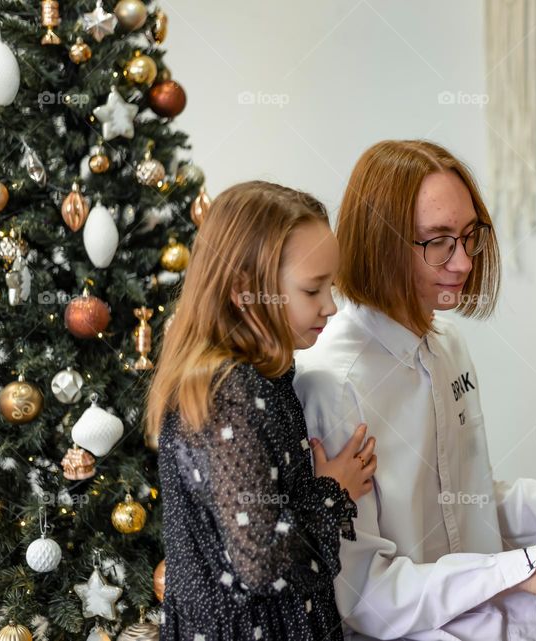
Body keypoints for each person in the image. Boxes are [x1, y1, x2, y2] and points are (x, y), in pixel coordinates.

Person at [296, 140, 536, 641]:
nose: (462, 263)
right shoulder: (333, 381)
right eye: (438, 241)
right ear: (382, 242)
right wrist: (524, 569)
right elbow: (366, 597)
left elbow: (466, 500)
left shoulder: (447, 343)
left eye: (468, 237)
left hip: (479, 618)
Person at [146, 181, 377, 640]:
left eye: (330, 286)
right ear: (245, 291)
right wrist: (332, 492)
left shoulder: (262, 378)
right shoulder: (227, 396)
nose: (330, 306)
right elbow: (261, 562)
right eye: (313, 290)